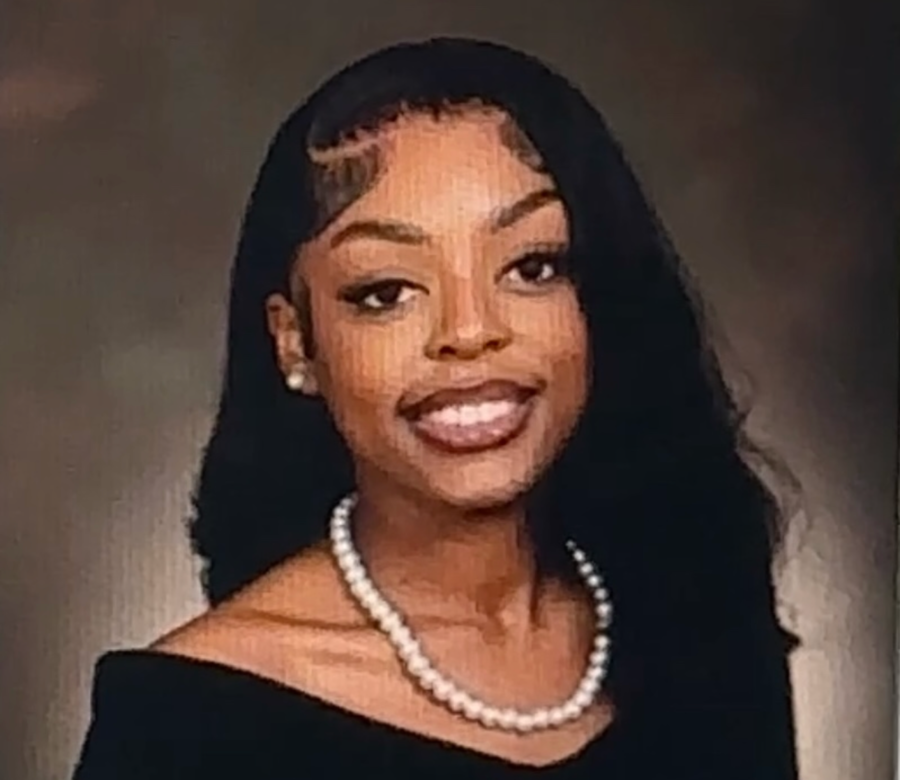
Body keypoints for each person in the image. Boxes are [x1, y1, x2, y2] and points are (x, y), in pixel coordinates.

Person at [71, 37, 800, 778]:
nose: (469, 332)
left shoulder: (703, 626)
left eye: (533, 267)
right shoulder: (180, 723)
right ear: (296, 343)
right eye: (385, 291)